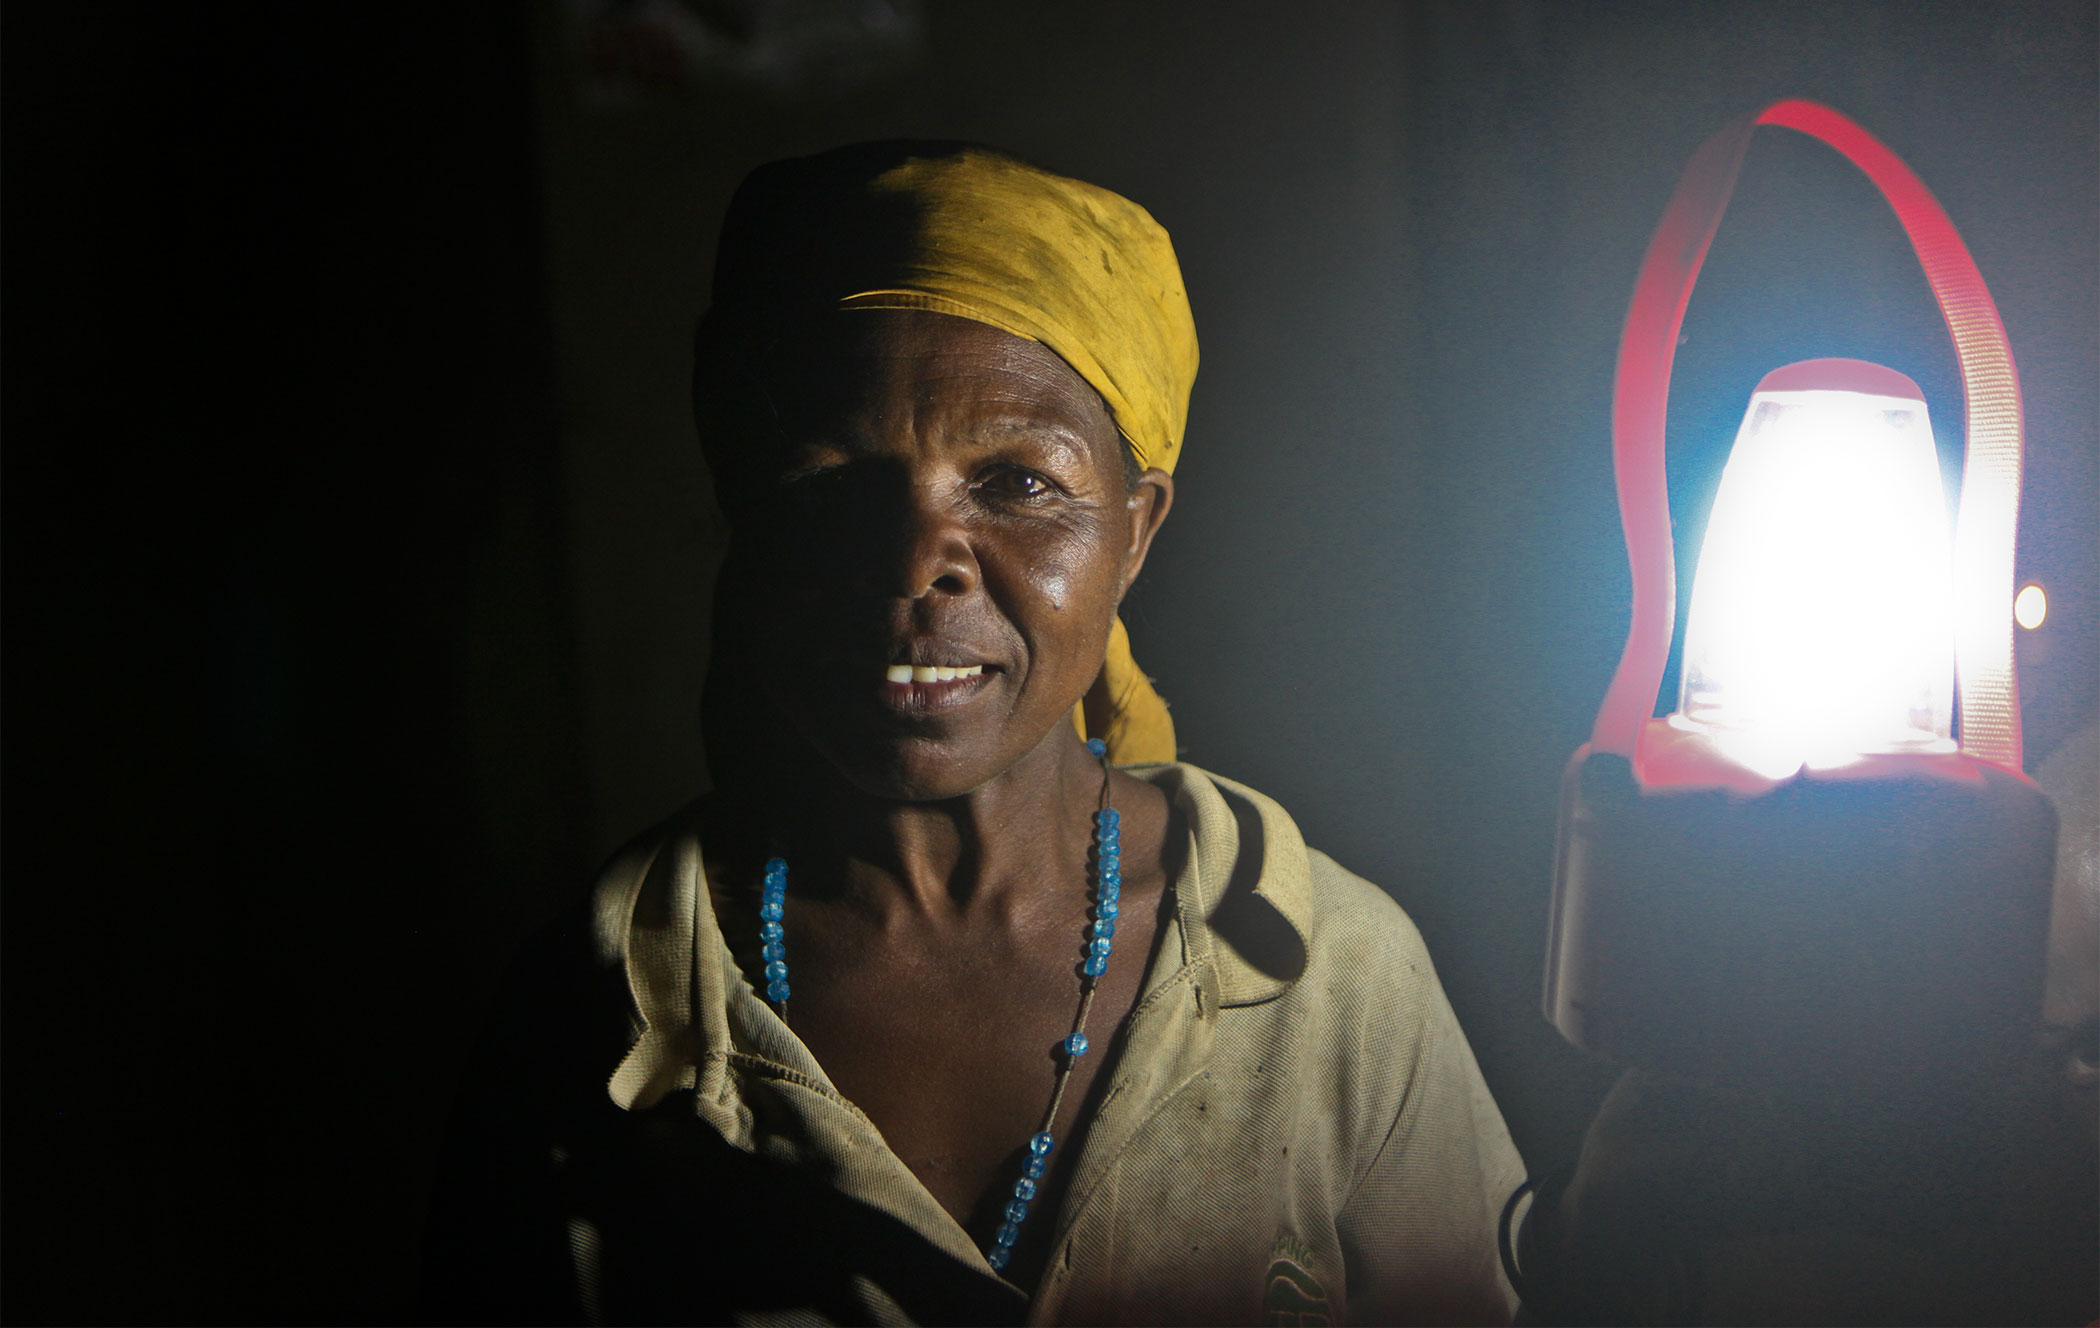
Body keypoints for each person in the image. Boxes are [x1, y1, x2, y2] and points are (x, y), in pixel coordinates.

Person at [424, 141, 1524, 1326]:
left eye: (1017, 482)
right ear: (752, 508)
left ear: (1136, 528)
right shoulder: (597, 1016)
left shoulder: (1327, 980)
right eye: (832, 477)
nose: (912, 563)